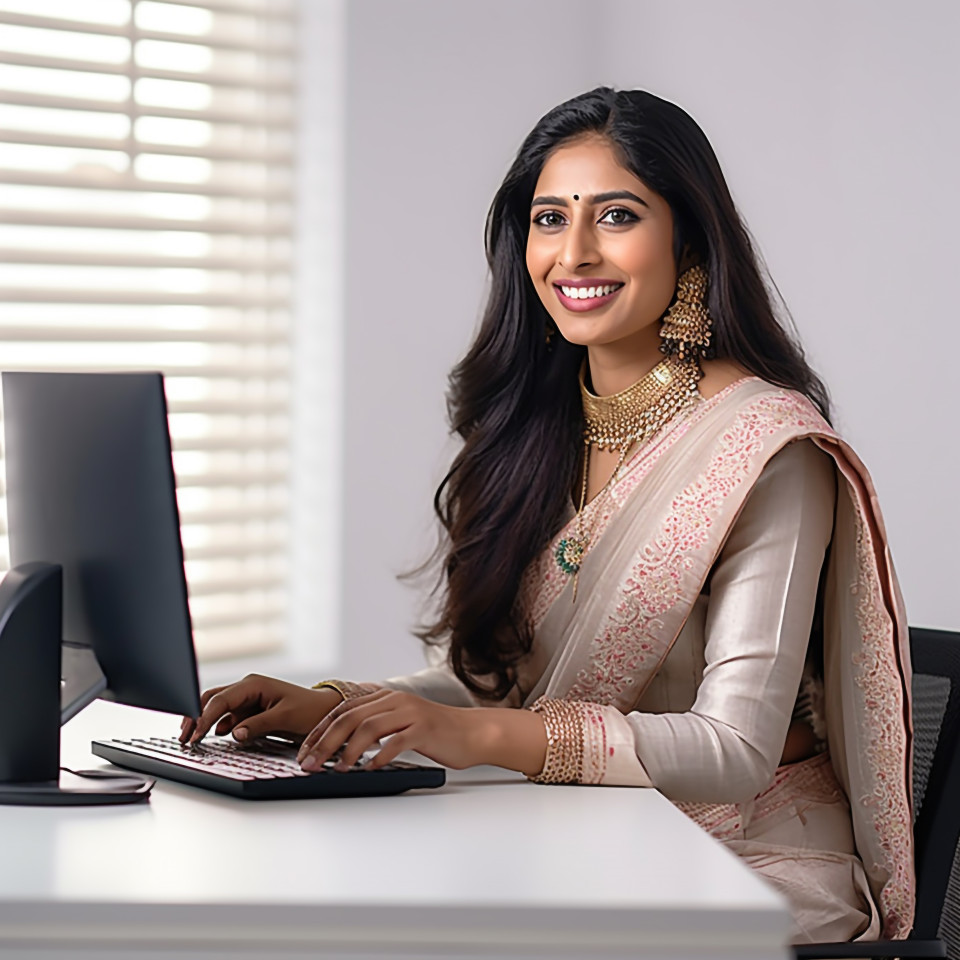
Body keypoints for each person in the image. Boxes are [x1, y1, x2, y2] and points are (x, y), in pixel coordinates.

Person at [181, 88, 913, 945]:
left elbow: (732, 749)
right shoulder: (538, 424)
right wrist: (339, 705)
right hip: (586, 832)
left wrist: (476, 733)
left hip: (748, 861)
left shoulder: (766, 446)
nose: (575, 252)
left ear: (688, 236)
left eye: (616, 215)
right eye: (549, 218)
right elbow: (509, 688)